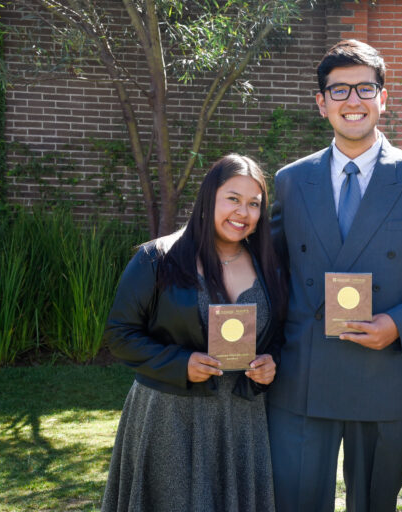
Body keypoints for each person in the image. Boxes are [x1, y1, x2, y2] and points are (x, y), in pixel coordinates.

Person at [267, 39, 402, 512]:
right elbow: (268, 268)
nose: (353, 100)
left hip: (385, 375)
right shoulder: (291, 179)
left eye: (365, 88)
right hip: (303, 372)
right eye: (339, 90)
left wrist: (398, 325)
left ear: (383, 98)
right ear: (321, 103)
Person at [101, 154, 287, 512]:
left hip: (241, 423)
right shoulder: (157, 258)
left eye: (254, 204)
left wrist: (271, 362)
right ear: (209, 198)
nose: (243, 212)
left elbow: (277, 334)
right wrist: (179, 363)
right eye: (233, 198)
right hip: (170, 420)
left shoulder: (269, 265)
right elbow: (120, 334)